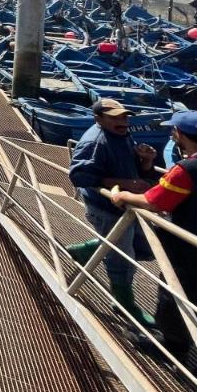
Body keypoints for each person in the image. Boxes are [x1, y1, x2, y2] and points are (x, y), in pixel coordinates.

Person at [111, 111, 197, 366]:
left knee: (171, 298)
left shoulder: (185, 169)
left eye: (173, 131)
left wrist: (122, 197)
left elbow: (153, 202)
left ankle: (175, 347)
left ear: (180, 135)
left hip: (189, 252)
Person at [67, 98, 158, 325]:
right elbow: (78, 176)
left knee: (141, 248)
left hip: (126, 208)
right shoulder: (94, 142)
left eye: (125, 116)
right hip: (107, 208)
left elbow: (131, 167)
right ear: (98, 119)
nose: (123, 121)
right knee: (122, 258)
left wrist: (146, 162)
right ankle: (124, 303)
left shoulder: (122, 135)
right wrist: (124, 183)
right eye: (115, 117)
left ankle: (86, 249)